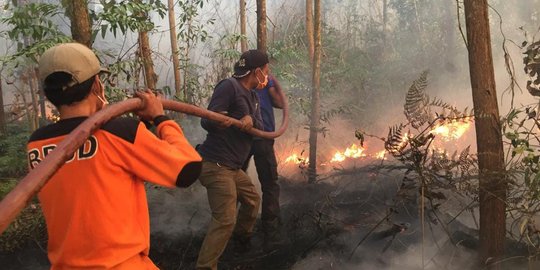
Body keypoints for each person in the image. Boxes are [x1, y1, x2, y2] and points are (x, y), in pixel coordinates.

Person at [27, 42, 202, 269]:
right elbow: (188, 170)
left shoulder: (37, 143)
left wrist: (142, 128)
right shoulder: (119, 131)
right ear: (96, 85)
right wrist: (160, 119)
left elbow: (94, 177)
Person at [196, 50, 268, 270]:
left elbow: (261, 128)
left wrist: (249, 120)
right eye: (266, 71)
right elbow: (207, 120)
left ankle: (240, 242)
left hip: (233, 168)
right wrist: (226, 121)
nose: (268, 76)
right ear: (256, 72)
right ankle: (205, 267)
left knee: (253, 200)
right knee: (225, 219)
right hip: (216, 165)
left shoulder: (253, 97)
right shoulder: (228, 86)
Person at [242, 74, 285, 249]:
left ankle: (242, 232)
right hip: (262, 138)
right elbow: (280, 102)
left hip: (241, 139)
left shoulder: (238, 82)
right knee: (270, 185)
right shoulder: (265, 80)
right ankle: (271, 233)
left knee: (235, 182)